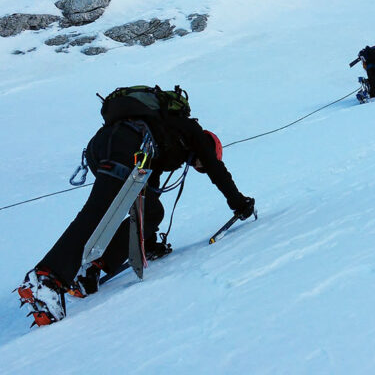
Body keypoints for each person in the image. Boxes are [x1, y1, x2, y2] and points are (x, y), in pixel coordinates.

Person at [16, 85, 255, 326]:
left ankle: (93, 268)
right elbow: (218, 171)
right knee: (101, 209)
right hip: (124, 144)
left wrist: (150, 245)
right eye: (202, 164)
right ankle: (46, 278)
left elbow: (148, 193)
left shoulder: (167, 138)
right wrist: (239, 204)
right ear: (211, 146)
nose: (199, 167)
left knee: (151, 211)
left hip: (108, 146)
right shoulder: (192, 132)